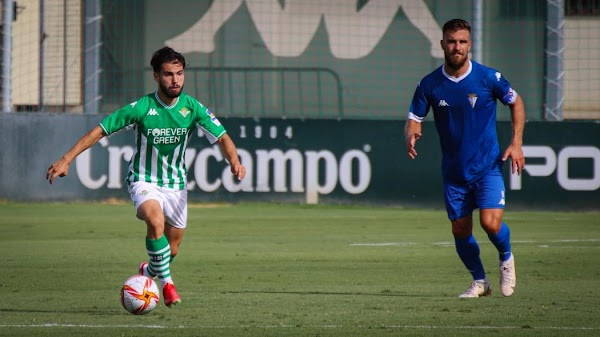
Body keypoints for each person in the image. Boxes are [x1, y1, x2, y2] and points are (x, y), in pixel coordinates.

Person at [46, 46, 246, 307]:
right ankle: (168, 285)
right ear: (156, 76)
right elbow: (99, 131)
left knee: (171, 250)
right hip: (143, 179)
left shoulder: (192, 108)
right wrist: (66, 158)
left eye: (179, 74)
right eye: (168, 74)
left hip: (176, 185)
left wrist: (235, 161)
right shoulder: (141, 107)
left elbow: (223, 137)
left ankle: (149, 273)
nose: (175, 80)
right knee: (155, 220)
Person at [404, 19, 525, 298]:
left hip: (487, 167)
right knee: (460, 230)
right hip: (454, 172)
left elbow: (516, 102)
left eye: (462, 41)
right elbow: (414, 119)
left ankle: (506, 258)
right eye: (451, 41)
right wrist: (411, 134)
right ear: (442, 44)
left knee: (490, 223)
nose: (456, 47)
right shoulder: (429, 84)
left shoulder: (488, 78)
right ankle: (480, 282)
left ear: (469, 44)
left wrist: (516, 143)